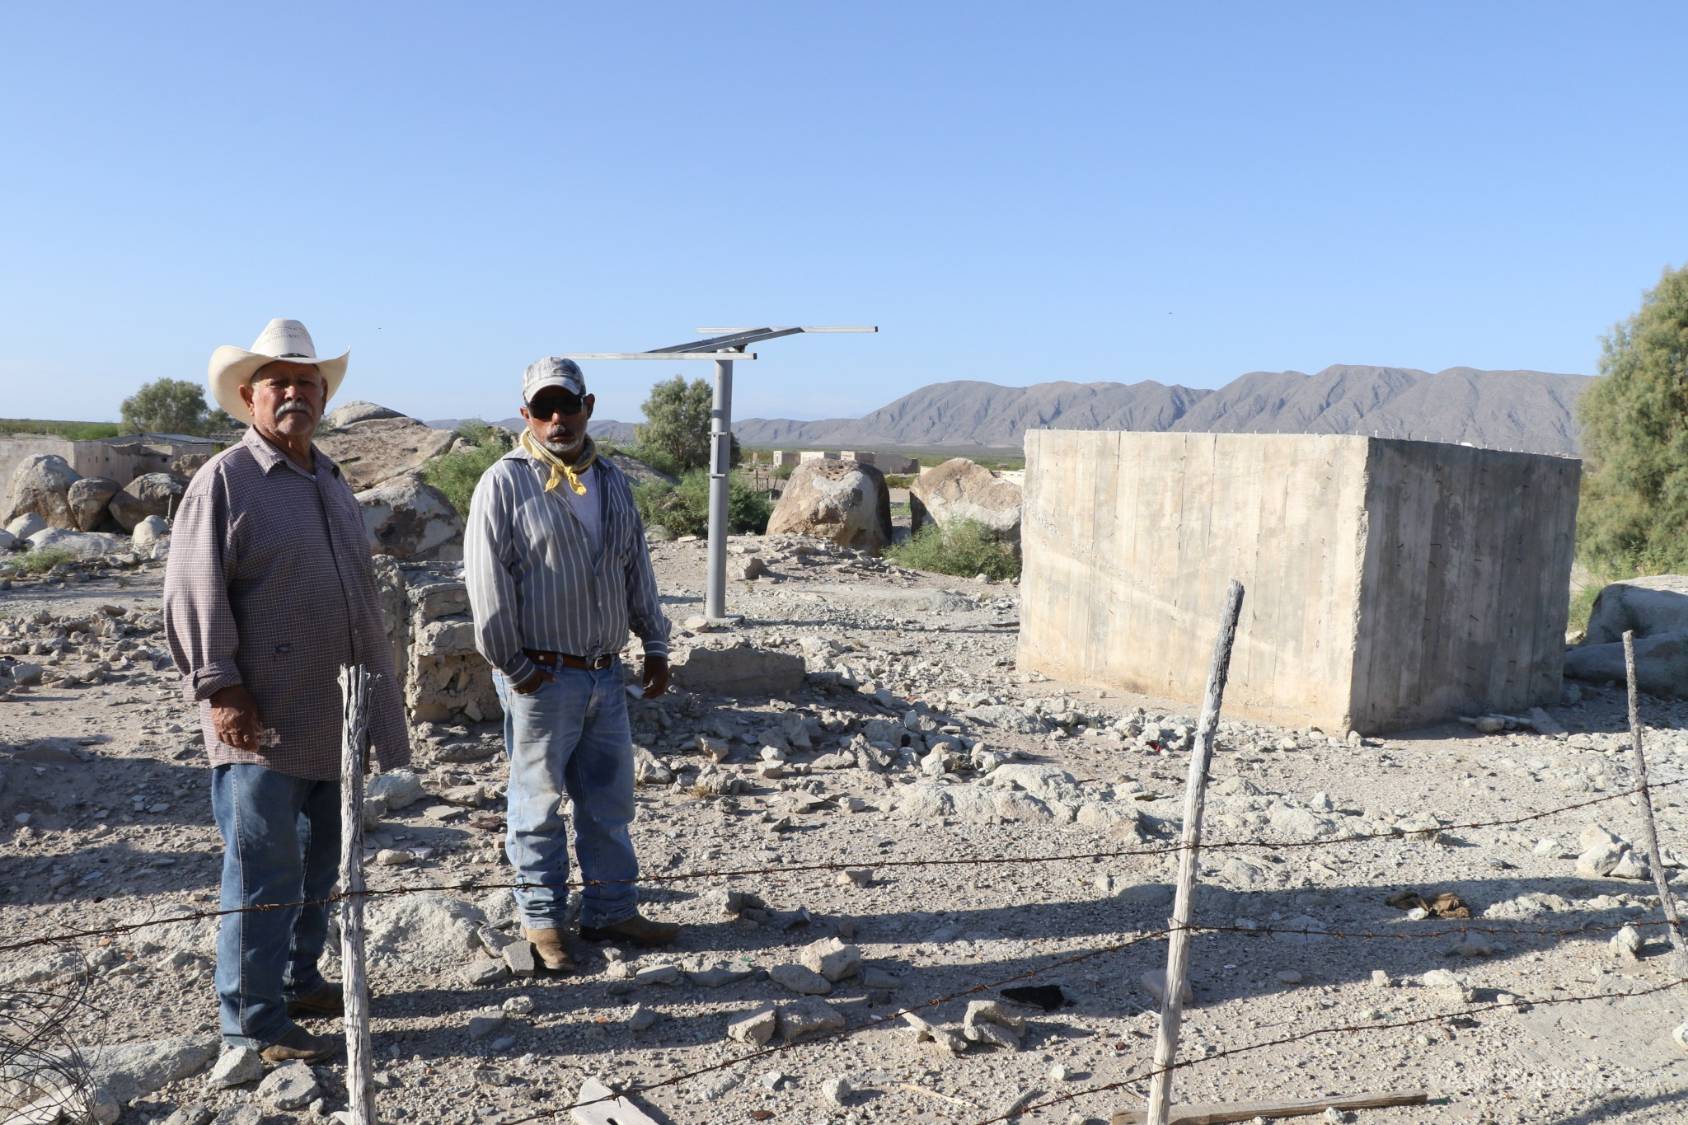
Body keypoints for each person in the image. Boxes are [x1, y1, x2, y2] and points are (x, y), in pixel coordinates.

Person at [164, 318, 409, 1062]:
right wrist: (220, 686)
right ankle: (252, 1021)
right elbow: (192, 591)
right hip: (260, 720)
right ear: (248, 397)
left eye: (308, 383)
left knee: (318, 860)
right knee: (262, 863)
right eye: (280, 383)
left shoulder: (328, 479)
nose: (296, 394)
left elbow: (358, 597)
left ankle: (300, 979)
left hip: (332, 718)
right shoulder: (226, 481)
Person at [464, 356, 677, 972]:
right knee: (536, 804)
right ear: (525, 413)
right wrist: (513, 665)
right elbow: (487, 583)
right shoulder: (504, 483)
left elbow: (636, 564)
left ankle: (613, 909)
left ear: (589, 406)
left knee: (608, 802)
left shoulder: (610, 479)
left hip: (605, 672)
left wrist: (654, 643)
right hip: (541, 675)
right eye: (545, 407)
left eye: (569, 405)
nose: (559, 418)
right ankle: (543, 924)